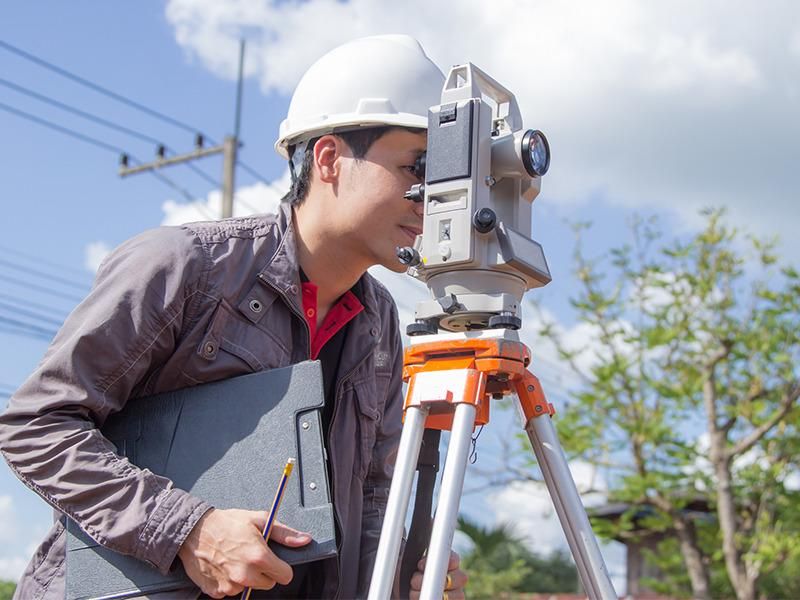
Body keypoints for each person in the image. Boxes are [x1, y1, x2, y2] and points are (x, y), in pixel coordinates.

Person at [0, 35, 467, 599]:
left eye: (442, 180)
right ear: (328, 159)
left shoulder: (378, 325)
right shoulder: (186, 267)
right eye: (416, 169)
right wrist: (187, 530)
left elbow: (370, 499)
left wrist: (397, 577)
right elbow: (37, 426)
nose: (432, 199)